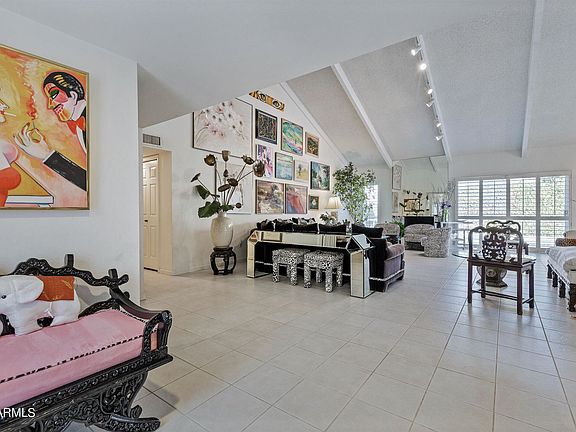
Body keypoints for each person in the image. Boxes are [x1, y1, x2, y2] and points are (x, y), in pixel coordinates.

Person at [13, 71, 87, 191]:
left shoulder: (91, 120)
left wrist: (47, 155)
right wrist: (46, 154)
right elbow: (88, 181)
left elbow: (89, 181)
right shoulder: (80, 126)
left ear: (73, 95)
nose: (50, 105)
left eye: (53, 95)